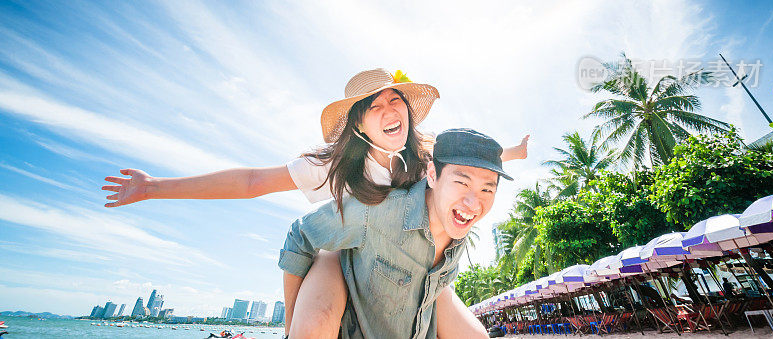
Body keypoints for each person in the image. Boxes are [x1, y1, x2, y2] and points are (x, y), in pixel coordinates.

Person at [102, 68, 529, 338]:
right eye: (373, 105)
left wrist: (513, 153)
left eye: (395, 100)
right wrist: (153, 186)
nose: (389, 109)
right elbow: (252, 181)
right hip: (340, 254)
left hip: (408, 262)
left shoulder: (425, 151)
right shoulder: (330, 166)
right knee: (313, 324)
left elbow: (472, 166)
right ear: (358, 123)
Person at [279, 128, 512, 338]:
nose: (473, 203)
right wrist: (290, 327)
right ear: (432, 175)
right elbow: (301, 234)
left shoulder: (459, 224)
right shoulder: (377, 213)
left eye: (486, 189)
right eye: (462, 183)